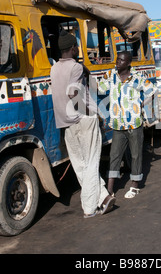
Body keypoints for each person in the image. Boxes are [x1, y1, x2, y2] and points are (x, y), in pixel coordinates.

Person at [50, 30, 115, 218]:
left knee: (81, 165)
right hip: (84, 119)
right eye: (77, 46)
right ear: (72, 48)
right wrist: (91, 112)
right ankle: (90, 208)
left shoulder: (54, 68)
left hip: (66, 122)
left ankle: (102, 196)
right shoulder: (76, 68)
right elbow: (73, 93)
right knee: (92, 162)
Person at [98, 51, 157, 199]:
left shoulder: (137, 77)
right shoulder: (111, 75)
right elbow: (99, 88)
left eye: (122, 60)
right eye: (117, 59)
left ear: (129, 63)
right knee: (114, 156)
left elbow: (152, 91)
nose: (118, 62)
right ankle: (110, 189)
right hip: (117, 124)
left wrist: (143, 105)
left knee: (136, 155)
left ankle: (135, 185)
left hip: (134, 124)